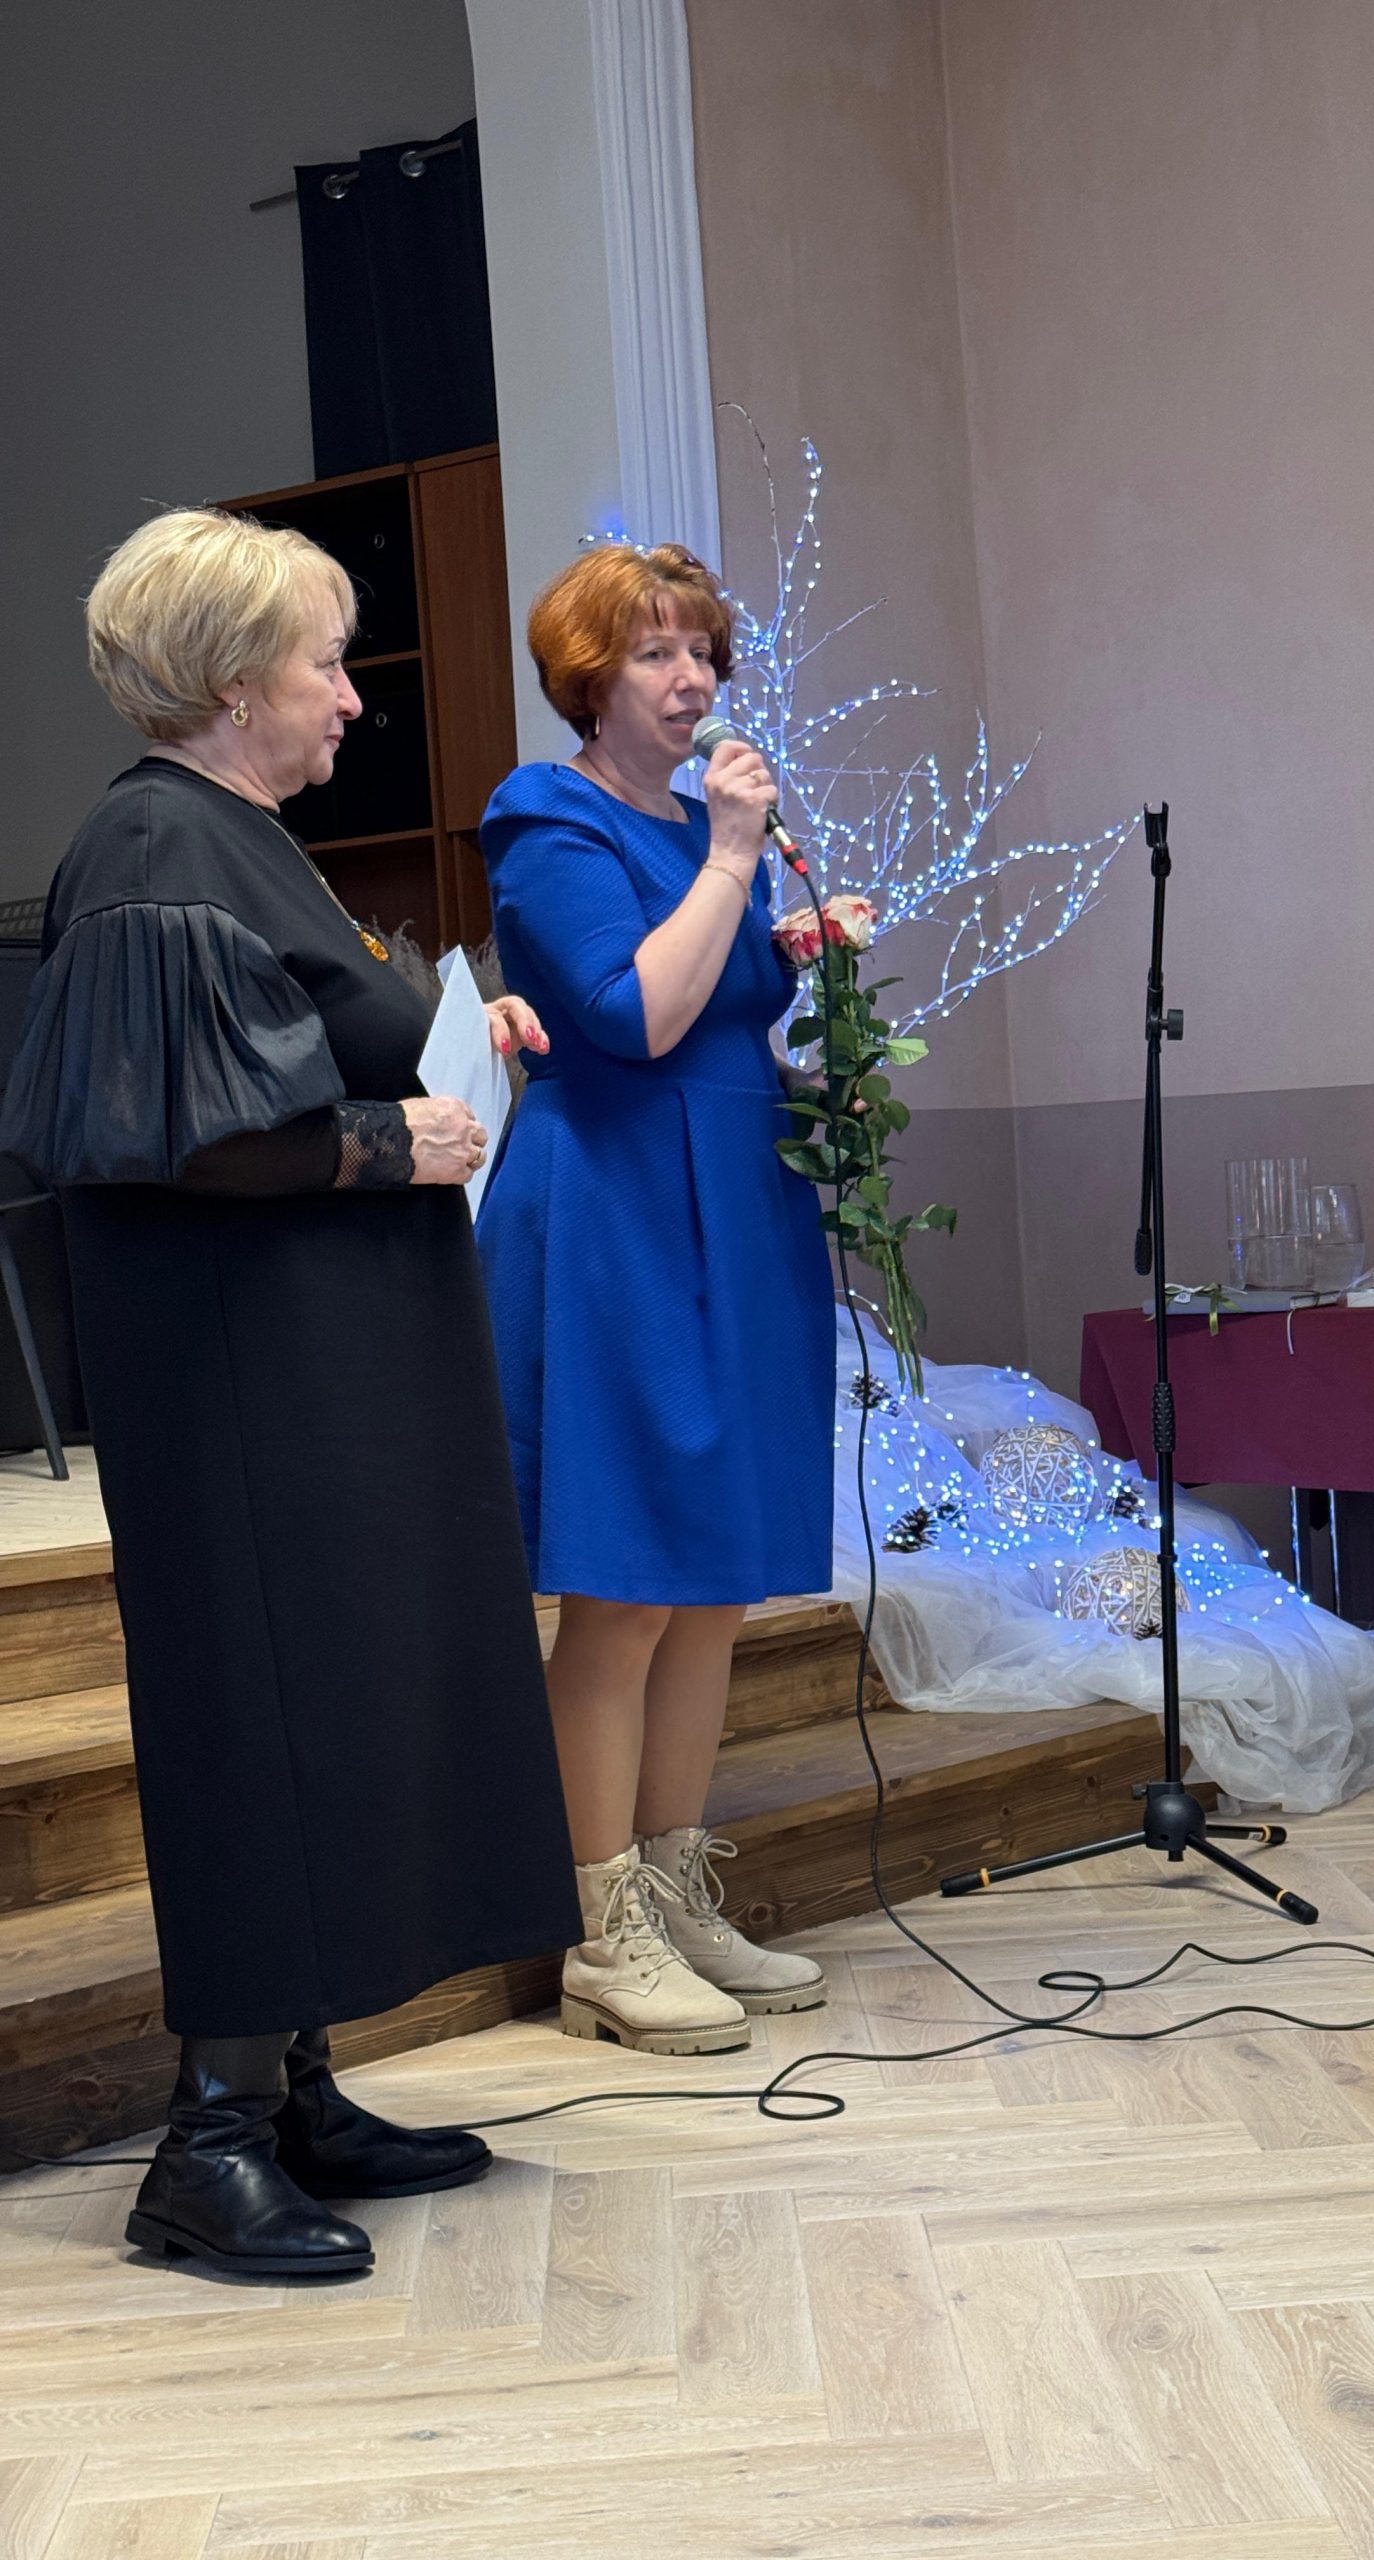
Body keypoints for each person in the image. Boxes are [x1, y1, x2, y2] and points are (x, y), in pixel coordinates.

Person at [0, 509, 578, 2276]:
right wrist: (386, 1138)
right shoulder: (155, 847)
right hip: (246, 1399)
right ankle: (208, 2149)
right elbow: (176, 1131)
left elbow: (289, 1061)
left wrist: (454, 1054)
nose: (350, 697)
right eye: (326, 664)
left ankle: (296, 2094)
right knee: (262, 1723)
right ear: (236, 679)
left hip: (321, 1376)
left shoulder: (239, 841)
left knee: (330, 1706)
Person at [477, 542, 834, 2052]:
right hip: (618, 1210)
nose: (692, 681)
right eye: (656, 654)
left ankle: (678, 1892)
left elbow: (733, 1019)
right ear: (589, 675)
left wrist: (816, 1069)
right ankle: (600, 1927)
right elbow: (631, 1015)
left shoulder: (699, 825)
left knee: (712, 1584)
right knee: (625, 1585)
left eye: (702, 654)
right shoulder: (544, 815)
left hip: (737, 1205)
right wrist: (736, 859)